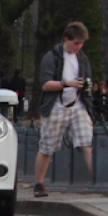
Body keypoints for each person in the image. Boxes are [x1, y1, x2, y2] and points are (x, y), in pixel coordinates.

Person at [32, 22, 95, 197]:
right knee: (47, 147)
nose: (79, 47)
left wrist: (88, 87)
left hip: (78, 105)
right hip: (56, 107)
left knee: (87, 142)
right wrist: (67, 84)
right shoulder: (52, 57)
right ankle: (39, 183)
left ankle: (97, 180)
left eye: (81, 43)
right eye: (76, 43)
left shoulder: (82, 58)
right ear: (66, 39)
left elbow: (87, 79)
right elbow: (45, 85)